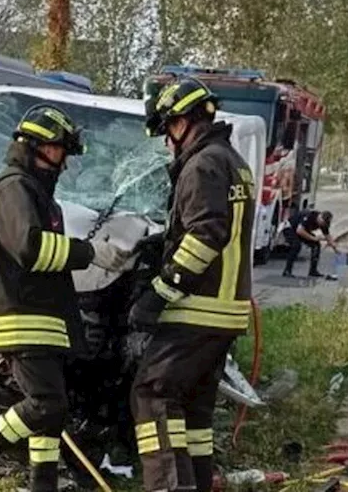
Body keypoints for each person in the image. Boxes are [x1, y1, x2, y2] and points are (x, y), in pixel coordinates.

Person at [0, 105, 131, 492]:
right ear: (35, 146)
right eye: (59, 150)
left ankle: (41, 484)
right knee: (46, 405)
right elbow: (29, 249)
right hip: (20, 318)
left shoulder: (41, 198)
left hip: (45, 321)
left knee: (51, 417)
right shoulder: (12, 187)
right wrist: (90, 252)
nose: (63, 162)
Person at [127, 78, 254, 492]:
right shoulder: (233, 160)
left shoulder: (202, 164)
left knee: (153, 394)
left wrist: (159, 292)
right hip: (226, 312)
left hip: (197, 309)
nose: (167, 141)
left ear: (182, 123)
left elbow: (206, 235)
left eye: (167, 130)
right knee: (194, 412)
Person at [281, 209, 338, 280]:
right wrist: (313, 238)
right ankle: (287, 271)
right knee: (296, 246)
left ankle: (313, 271)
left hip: (302, 230)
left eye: (324, 224)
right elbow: (299, 231)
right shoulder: (309, 216)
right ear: (320, 217)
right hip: (290, 228)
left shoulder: (324, 223)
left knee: (316, 245)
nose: (322, 225)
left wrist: (336, 249)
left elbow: (328, 237)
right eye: (322, 223)